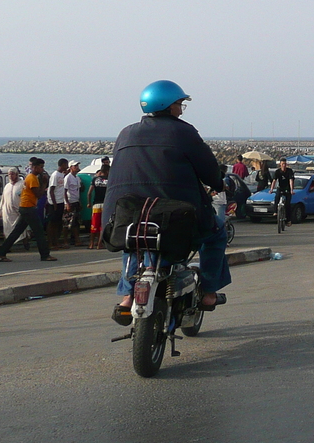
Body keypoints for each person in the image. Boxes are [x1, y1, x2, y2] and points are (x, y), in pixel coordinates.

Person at [104, 80, 230, 325]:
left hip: (125, 214)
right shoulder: (183, 132)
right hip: (173, 215)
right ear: (168, 105)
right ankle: (209, 292)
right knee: (216, 234)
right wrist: (218, 183)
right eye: (179, 104)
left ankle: (126, 299)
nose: (181, 109)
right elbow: (208, 168)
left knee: (134, 241)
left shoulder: (126, 132)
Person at [0, 159, 56, 262]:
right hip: (28, 208)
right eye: (41, 167)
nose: (42, 169)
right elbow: (38, 195)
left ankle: (1, 252)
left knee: (17, 231)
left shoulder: (31, 177)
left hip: (25, 207)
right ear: (35, 167)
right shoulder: (32, 178)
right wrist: (44, 184)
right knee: (39, 231)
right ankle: (45, 255)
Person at [0, 167, 25, 239]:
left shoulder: (22, 184)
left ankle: (25, 243)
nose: (11, 176)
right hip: (8, 213)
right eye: (9, 175)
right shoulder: (7, 186)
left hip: (18, 212)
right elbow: (3, 200)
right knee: (7, 230)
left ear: (16, 174)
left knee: (21, 229)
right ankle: (7, 246)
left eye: (12, 174)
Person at [47, 158, 69, 249]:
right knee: (52, 223)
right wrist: (54, 203)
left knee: (58, 223)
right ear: (63, 164)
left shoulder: (62, 175)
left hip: (60, 201)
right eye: (66, 165)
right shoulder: (55, 175)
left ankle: (56, 241)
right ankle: (51, 242)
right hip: (54, 203)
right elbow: (51, 190)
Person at [87, 165, 109, 249]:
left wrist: (89, 203)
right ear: (107, 171)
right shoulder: (109, 180)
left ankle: (91, 243)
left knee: (94, 225)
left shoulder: (95, 179)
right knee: (102, 225)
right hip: (105, 204)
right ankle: (99, 244)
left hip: (96, 205)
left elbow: (89, 193)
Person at [63, 161, 83, 246]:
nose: (77, 167)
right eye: (75, 166)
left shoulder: (77, 178)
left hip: (76, 201)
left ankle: (76, 240)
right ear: (71, 167)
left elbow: (78, 190)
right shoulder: (68, 178)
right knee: (67, 223)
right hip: (70, 201)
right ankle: (65, 241)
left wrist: (79, 202)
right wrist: (67, 203)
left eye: (77, 166)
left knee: (76, 222)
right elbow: (64, 191)